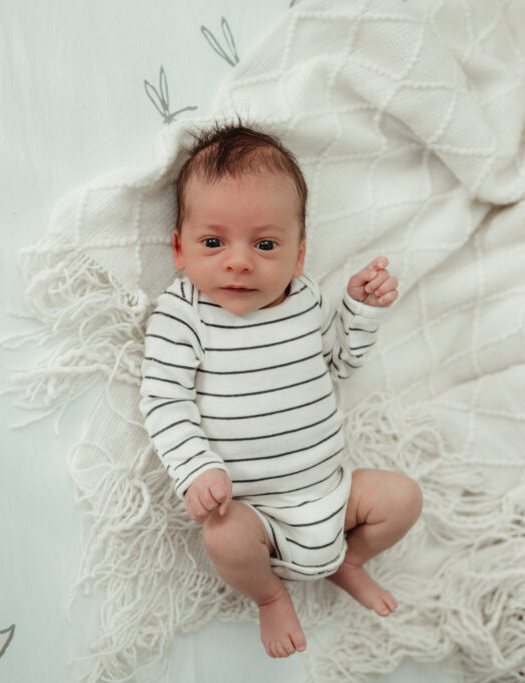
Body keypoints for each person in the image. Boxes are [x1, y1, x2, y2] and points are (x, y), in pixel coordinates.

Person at [138, 125, 423, 659]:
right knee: (222, 536)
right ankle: (270, 596)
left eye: (265, 244)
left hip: (335, 494)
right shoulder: (183, 315)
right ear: (179, 248)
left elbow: (338, 364)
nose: (239, 262)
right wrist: (197, 470)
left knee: (404, 499)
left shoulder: (304, 298)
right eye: (213, 243)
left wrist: (359, 312)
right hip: (255, 514)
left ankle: (347, 560)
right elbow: (164, 400)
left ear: (298, 255)